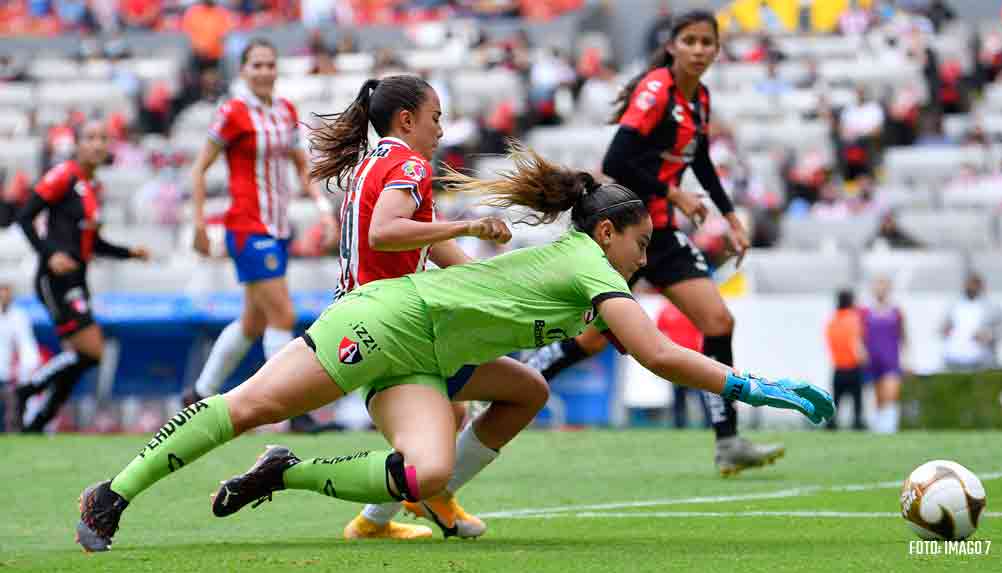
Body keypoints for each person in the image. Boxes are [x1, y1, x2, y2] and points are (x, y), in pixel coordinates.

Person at [74, 145, 835, 552]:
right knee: (247, 406)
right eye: (643, 240)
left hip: (424, 355)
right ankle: (112, 495)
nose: (648, 253)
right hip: (381, 320)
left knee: (480, 428)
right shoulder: (592, 266)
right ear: (608, 233)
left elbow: (608, 341)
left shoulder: (589, 270)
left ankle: (289, 473)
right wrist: (755, 387)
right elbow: (659, 355)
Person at [525, 10, 783, 476]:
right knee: (588, 340)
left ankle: (727, 442)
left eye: (708, 42)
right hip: (622, 233)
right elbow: (616, 159)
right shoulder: (656, 90)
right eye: (691, 41)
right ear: (672, 46)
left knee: (718, 320)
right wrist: (673, 192)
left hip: (658, 234)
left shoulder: (698, 97)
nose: (700, 49)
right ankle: (512, 385)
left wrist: (730, 218)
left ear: (717, 49)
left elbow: (699, 159)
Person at [306, 75, 547, 540]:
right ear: (407, 119)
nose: (440, 129)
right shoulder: (411, 166)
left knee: (453, 415)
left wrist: (493, 282)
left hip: (361, 318)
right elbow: (386, 232)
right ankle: (430, 495)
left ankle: (374, 521)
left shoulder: (373, 162)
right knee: (526, 391)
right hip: (393, 328)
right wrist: (469, 228)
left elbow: (425, 239)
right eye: (436, 118)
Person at [182, 39, 337, 434]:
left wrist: (323, 211)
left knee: (253, 321)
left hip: (278, 227)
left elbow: (302, 167)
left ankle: (198, 394)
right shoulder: (232, 113)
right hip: (247, 227)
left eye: (270, 64)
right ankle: (290, 410)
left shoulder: (285, 111)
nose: (265, 71)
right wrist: (200, 224)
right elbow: (199, 169)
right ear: (243, 71)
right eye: (257, 65)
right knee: (283, 315)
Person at [10, 119, 150, 433]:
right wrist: (51, 254)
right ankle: (27, 390)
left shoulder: (94, 187)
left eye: (103, 138)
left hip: (78, 278)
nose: (97, 144)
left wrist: (130, 253)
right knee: (92, 351)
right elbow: (24, 217)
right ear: (78, 144)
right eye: (90, 138)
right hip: (55, 278)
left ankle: (37, 421)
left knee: (85, 356)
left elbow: (94, 243)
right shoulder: (64, 175)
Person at [941, 273, 1002, 371]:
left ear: (981, 286)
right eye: (968, 284)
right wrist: (945, 330)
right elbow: (941, 328)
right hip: (954, 359)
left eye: (974, 284)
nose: (970, 287)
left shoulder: (992, 307)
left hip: (981, 362)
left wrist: (989, 335)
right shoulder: (955, 305)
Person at [862, 277, 905, 434]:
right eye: (877, 286)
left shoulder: (896, 312)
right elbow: (860, 335)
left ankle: (890, 428)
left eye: (883, 287)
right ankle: (878, 429)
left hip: (891, 360)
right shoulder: (866, 312)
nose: (880, 290)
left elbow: (904, 336)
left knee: (891, 395)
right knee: (877, 398)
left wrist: (907, 359)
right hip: (872, 361)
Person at [1, 279, 41, 432]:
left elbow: (26, 344)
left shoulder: (18, 316)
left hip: (7, 376)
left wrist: (29, 367)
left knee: (12, 414)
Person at [825, 289, 866, 431]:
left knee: (836, 401)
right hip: (853, 367)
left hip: (838, 367)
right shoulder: (853, 319)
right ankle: (858, 424)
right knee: (857, 401)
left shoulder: (832, 321)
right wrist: (863, 358)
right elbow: (855, 343)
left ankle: (830, 424)